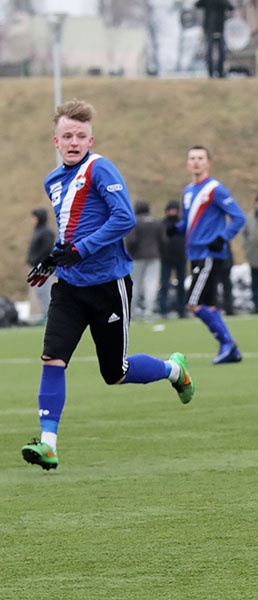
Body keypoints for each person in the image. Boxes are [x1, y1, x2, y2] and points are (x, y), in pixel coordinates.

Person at [21, 99, 194, 471]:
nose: (73, 141)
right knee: (53, 359)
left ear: (90, 139)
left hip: (107, 286)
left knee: (115, 373)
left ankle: (173, 370)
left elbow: (124, 218)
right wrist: (53, 259)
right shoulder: (53, 181)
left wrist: (81, 249)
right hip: (68, 287)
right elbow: (69, 232)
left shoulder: (100, 169)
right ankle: (48, 444)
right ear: (55, 141)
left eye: (80, 136)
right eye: (67, 135)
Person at [171, 145, 246, 364]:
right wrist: (175, 228)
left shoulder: (215, 189)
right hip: (193, 253)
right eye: (192, 158)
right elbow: (189, 221)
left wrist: (222, 238)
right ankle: (229, 348)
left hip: (209, 254)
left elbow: (239, 217)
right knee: (209, 305)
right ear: (187, 163)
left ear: (208, 163)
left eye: (200, 158)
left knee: (193, 303)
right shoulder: (187, 191)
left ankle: (228, 343)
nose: (196, 162)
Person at [125, 200, 164, 319]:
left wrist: (130, 252)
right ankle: (149, 310)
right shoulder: (156, 222)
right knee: (151, 283)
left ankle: (131, 309)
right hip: (154, 256)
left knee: (134, 283)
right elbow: (163, 240)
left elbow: (131, 240)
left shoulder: (135, 222)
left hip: (137, 256)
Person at [158, 200, 188, 319]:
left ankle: (182, 309)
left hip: (181, 257)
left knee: (181, 285)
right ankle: (163, 310)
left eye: (175, 209)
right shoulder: (162, 224)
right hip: (166, 257)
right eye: (171, 209)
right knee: (165, 284)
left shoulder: (182, 224)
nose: (173, 212)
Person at [26, 207, 56, 324]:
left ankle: (49, 315)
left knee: (44, 290)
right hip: (36, 265)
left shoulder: (46, 232)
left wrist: (38, 261)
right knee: (39, 291)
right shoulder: (38, 230)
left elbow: (47, 249)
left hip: (44, 266)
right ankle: (45, 313)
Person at [195, 0, 233, 78]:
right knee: (212, 52)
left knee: (220, 52)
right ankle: (212, 73)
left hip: (218, 28)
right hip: (211, 28)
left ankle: (218, 72)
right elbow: (198, 4)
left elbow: (230, 7)